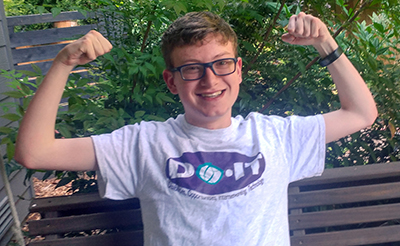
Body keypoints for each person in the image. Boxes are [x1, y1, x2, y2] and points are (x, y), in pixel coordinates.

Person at [15, 11, 377, 245]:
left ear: (238, 70)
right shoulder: (143, 144)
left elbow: (361, 113)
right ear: (171, 82)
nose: (209, 80)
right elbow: (35, 152)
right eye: (191, 69)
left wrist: (325, 44)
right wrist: (63, 63)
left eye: (221, 64)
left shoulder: (277, 136)